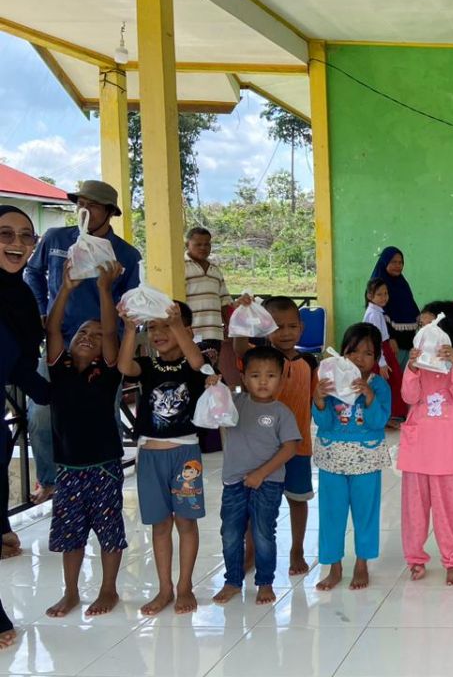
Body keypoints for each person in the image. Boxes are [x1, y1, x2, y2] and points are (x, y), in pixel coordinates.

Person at [25, 179, 141, 502]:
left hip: (104, 349)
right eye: (81, 203)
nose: (84, 210)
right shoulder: (56, 239)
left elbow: (130, 301)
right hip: (59, 342)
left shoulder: (127, 255)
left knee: (106, 411)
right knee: (40, 413)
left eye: (92, 205)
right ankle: (51, 481)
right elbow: (32, 274)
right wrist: (40, 309)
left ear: (109, 212)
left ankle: (107, 476)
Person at [44, 260, 126, 619]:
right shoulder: (59, 369)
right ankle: (71, 592)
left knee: (109, 530)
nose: (88, 338)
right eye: (82, 333)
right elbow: (52, 330)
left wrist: (104, 290)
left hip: (103, 466)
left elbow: (112, 334)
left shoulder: (105, 371)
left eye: (94, 336)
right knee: (69, 534)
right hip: (68, 468)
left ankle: (109, 589)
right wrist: (66, 288)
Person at [117, 300, 210, 616]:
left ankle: (185, 586)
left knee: (186, 522)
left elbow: (196, 361)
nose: (158, 332)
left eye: (166, 325)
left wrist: (176, 325)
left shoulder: (197, 366)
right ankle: (165, 588)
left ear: (186, 330)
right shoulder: (147, 365)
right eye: (152, 326)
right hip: (150, 456)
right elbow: (123, 366)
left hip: (185, 455)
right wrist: (130, 328)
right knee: (159, 525)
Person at [232, 295, 317, 577]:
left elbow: (316, 399)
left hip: (298, 446)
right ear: (264, 327)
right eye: (277, 326)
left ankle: (297, 549)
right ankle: (251, 550)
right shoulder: (260, 359)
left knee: (297, 499)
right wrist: (245, 311)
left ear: (302, 328)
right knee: (255, 503)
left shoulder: (308, 361)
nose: (285, 332)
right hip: (261, 449)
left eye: (292, 326)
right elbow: (239, 345)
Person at [212, 346, 300, 606]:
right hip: (234, 482)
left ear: (282, 379)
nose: (263, 381)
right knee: (230, 532)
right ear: (244, 377)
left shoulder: (282, 412)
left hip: (268, 483)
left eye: (271, 375)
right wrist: (213, 386)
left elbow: (291, 447)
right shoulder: (235, 404)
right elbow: (215, 402)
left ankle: (265, 582)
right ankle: (232, 581)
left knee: (263, 533)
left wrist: (261, 473)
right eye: (255, 375)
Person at [0, 206, 51, 647]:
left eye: (25, 236)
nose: (16, 243)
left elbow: (20, 367)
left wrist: (69, 394)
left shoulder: (18, 297)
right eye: (5, 234)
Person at [398, 302, 453, 586]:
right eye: (421, 327)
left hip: (449, 450)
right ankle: (415, 559)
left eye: (432, 327)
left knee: (449, 510)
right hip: (417, 449)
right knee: (414, 509)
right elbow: (408, 396)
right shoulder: (415, 363)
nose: (425, 333)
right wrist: (413, 367)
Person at [313, 323, 391, 591]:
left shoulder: (378, 385)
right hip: (332, 458)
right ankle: (334, 567)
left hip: (366, 459)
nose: (360, 358)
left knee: (365, 514)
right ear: (343, 353)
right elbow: (322, 422)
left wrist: (369, 397)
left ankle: (361, 563)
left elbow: (379, 422)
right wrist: (320, 400)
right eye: (353, 351)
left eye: (368, 353)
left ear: (377, 357)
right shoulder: (330, 382)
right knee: (331, 514)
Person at [370, 247, 418, 418]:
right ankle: (388, 414)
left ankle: (402, 412)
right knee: (391, 379)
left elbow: (411, 308)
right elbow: (383, 316)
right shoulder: (380, 283)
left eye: (401, 262)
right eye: (393, 262)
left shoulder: (402, 283)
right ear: (385, 263)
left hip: (407, 338)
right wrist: (390, 339)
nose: (398, 266)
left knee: (404, 377)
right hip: (391, 342)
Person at [183, 227, 233, 365]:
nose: (203, 248)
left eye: (207, 244)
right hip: (189, 334)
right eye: (198, 244)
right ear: (187, 245)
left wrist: (229, 325)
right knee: (190, 371)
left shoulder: (215, 269)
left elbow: (224, 301)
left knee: (210, 372)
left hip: (214, 333)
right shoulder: (180, 267)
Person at [362, 278, 393, 379]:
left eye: (386, 293)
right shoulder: (374, 314)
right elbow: (375, 341)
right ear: (370, 296)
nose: (384, 297)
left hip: (381, 350)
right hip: (378, 351)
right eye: (379, 294)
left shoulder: (376, 311)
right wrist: (382, 363)